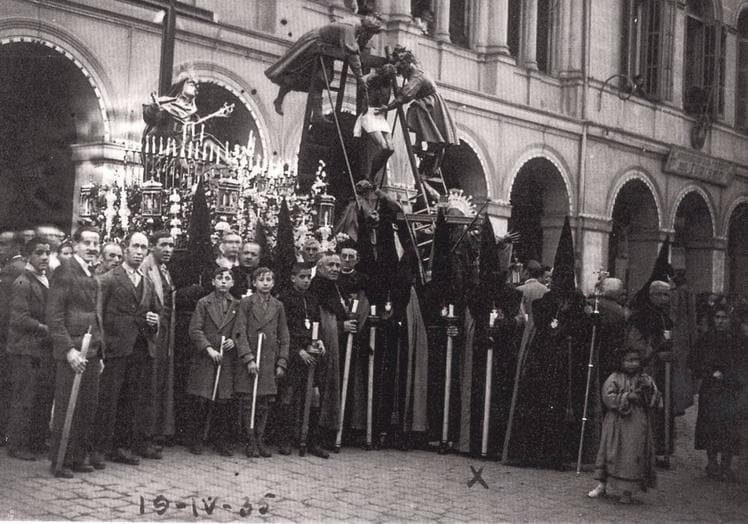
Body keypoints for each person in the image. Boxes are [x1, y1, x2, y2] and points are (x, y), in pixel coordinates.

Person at [92, 232, 161, 467]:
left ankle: (121, 447)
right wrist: (100, 347)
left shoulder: (148, 282)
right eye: (135, 246)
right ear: (126, 248)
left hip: (138, 348)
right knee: (108, 400)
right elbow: (98, 314)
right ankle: (99, 448)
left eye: (144, 247)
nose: (140, 251)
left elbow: (153, 312)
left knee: (130, 399)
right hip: (114, 347)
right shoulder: (109, 279)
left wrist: (154, 321)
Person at [46, 226, 104, 478]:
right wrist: (68, 350)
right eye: (87, 243)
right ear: (77, 245)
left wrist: (99, 354)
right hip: (72, 352)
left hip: (90, 351)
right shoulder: (64, 271)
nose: (92, 248)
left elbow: (95, 315)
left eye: (96, 243)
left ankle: (78, 456)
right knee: (66, 406)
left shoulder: (91, 273)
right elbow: (55, 316)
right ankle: (60, 460)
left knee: (86, 407)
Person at [265, 17, 385, 123]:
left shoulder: (358, 25)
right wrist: (360, 77)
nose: (370, 37)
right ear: (366, 29)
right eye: (370, 34)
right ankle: (279, 99)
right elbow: (352, 54)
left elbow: (356, 45)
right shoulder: (350, 28)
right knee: (297, 73)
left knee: (322, 79)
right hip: (314, 43)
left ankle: (317, 114)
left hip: (326, 48)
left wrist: (363, 43)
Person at [375, 45, 459, 194]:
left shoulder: (416, 77)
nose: (401, 74)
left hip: (430, 104)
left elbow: (405, 96)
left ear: (406, 64)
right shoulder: (415, 67)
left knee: (416, 110)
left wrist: (388, 107)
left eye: (401, 70)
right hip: (430, 102)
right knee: (421, 115)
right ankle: (421, 144)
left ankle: (423, 147)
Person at [588, 348, 659, 504]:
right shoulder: (615, 378)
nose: (632, 364)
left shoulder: (645, 378)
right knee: (610, 451)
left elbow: (654, 397)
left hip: (635, 423)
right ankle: (602, 484)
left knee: (632, 454)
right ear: (621, 362)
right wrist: (627, 397)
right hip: (616, 423)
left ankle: (627, 491)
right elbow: (608, 396)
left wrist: (646, 393)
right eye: (628, 360)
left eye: (636, 360)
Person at [6, 237, 54, 460]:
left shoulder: (45, 279)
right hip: (25, 349)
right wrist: (45, 327)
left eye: (47, 252)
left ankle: (36, 440)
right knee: (25, 397)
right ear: (27, 256)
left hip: (41, 350)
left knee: (41, 395)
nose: (44, 257)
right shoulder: (23, 283)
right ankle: (17, 445)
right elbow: (19, 319)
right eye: (38, 252)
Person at [234, 267, 289, 458]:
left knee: (264, 402)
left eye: (269, 280)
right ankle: (249, 440)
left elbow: (284, 335)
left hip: (268, 360)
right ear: (254, 283)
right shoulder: (246, 303)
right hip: (251, 359)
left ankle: (260, 438)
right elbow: (239, 332)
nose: (265, 283)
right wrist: (248, 358)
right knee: (249, 401)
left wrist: (281, 361)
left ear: (273, 283)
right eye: (261, 280)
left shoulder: (278, 305)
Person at [186, 267, 239, 456]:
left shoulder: (237, 304)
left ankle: (220, 440)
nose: (223, 281)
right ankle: (196, 439)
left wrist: (234, 340)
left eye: (227, 278)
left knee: (223, 401)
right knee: (202, 399)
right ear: (213, 282)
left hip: (226, 358)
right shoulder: (203, 303)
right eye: (219, 278)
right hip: (206, 357)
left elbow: (240, 329)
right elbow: (195, 329)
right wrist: (208, 349)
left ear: (232, 283)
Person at [277, 262, 329, 458]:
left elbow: (316, 324)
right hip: (294, 355)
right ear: (293, 278)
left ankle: (310, 440)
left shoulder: (312, 299)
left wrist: (319, 342)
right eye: (302, 277)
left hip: (311, 354)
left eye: (309, 277)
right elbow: (283, 329)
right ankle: (285, 439)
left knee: (314, 397)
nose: (306, 280)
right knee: (289, 396)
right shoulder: (285, 298)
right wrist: (298, 350)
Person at [690, 306, 743, 481]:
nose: (720, 321)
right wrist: (709, 372)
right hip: (711, 389)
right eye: (717, 317)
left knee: (730, 426)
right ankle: (712, 463)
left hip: (731, 389)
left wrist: (731, 376)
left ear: (730, 319)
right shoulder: (705, 339)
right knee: (710, 425)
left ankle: (726, 465)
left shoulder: (739, 340)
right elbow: (694, 361)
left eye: (724, 317)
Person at [626, 280, 675, 468]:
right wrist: (655, 352)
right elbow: (636, 343)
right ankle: (643, 453)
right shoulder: (642, 316)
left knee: (659, 409)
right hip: (648, 368)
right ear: (652, 295)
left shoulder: (663, 315)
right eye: (661, 294)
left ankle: (656, 450)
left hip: (662, 369)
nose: (665, 298)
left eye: (667, 294)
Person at [140, 231, 176, 447]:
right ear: (152, 246)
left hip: (165, 332)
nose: (168, 250)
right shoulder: (147, 267)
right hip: (152, 332)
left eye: (171, 245)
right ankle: (146, 433)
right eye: (163, 245)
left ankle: (156, 431)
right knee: (150, 382)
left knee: (160, 380)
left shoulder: (164, 269)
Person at [354, 63, 397, 185]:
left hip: (380, 117)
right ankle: (370, 176)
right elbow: (362, 79)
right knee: (383, 147)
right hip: (370, 115)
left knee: (390, 149)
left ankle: (373, 173)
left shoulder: (388, 84)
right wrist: (374, 73)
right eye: (388, 76)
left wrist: (387, 107)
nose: (390, 79)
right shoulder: (373, 80)